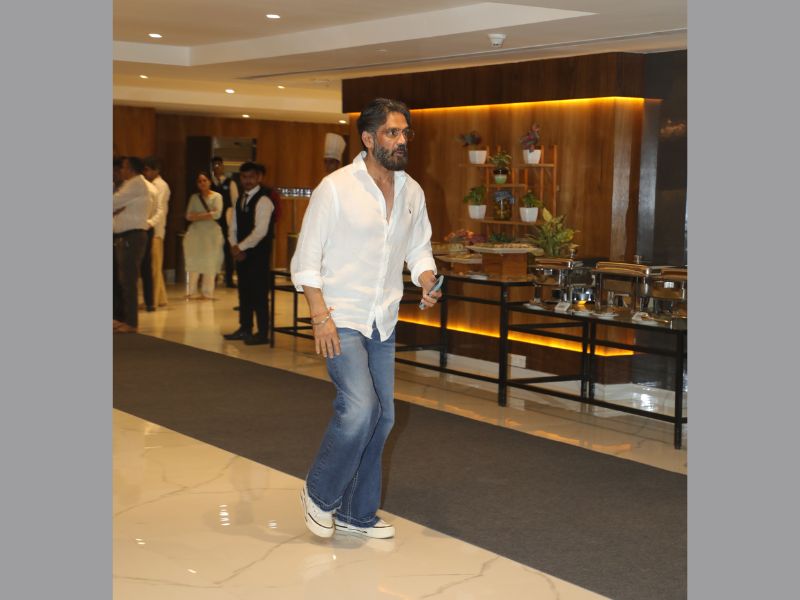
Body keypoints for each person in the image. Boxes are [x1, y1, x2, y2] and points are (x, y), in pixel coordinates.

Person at [290, 98, 442, 539]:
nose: (401, 140)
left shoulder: (412, 191)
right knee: (360, 409)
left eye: (405, 132)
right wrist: (320, 316)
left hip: (383, 318)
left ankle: (356, 514)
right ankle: (319, 494)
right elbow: (306, 259)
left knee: (383, 418)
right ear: (369, 139)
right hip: (340, 315)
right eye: (392, 133)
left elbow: (419, 248)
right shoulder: (336, 188)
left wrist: (427, 280)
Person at [223, 162, 276, 345]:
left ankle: (262, 333)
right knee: (244, 292)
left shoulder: (264, 200)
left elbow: (260, 231)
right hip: (242, 255)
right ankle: (245, 328)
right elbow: (233, 227)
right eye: (244, 177)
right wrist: (234, 246)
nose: (247, 181)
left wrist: (240, 247)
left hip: (258, 255)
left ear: (259, 177)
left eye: (251, 177)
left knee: (259, 294)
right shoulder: (240, 199)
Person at [113, 156, 158, 333]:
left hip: (132, 236)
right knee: (124, 280)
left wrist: (115, 208)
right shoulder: (131, 184)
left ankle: (131, 323)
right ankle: (126, 319)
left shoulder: (136, 184)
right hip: (128, 236)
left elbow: (114, 202)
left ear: (131, 169)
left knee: (128, 280)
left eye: (124, 167)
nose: (121, 170)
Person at [182, 171, 224, 300]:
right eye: (199, 181)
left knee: (210, 262)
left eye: (204, 180)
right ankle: (191, 291)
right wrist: (207, 215)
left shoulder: (217, 197)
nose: (202, 183)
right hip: (195, 234)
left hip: (211, 234)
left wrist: (198, 216)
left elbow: (217, 214)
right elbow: (188, 216)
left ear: (210, 182)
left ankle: (207, 292)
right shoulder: (194, 197)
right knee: (193, 260)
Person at [142, 156, 171, 308]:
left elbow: (159, 210)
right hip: (153, 229)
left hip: (155, 230)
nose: (146, 173)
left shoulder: (160, 186)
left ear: (156, 170)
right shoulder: (152, 184)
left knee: (154, 266)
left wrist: (149, 224)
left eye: (148, 170)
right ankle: (161, 298)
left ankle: (152, 299)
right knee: (155, 265)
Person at [210, 156, 238, 288]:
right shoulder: (209, 183)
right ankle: (212, 277)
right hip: (212, 221)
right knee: (213, 250)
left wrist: (234, 223)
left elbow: (235, 203)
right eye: (214, 165)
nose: (217, 167)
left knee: (228, 250)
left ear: (223, 166)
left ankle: (229, 278)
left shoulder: (230, 183)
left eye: (219, 165)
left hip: (226, 221)